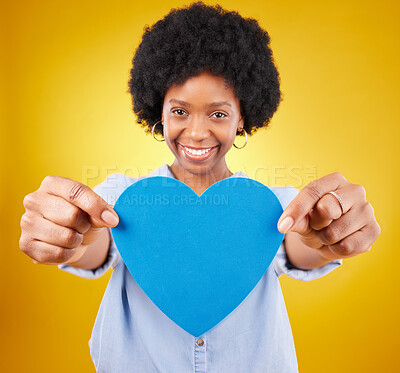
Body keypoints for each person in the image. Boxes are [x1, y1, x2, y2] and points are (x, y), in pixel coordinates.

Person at [19, 2, 381, 372]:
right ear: (158, 112)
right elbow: (96, 244)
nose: (195, 132)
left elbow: (302, 245)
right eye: (179, 111)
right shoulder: (125, 199)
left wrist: (324, 234)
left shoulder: (270, 206)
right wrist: (70, 238)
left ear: (243, 119)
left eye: (218, 114)